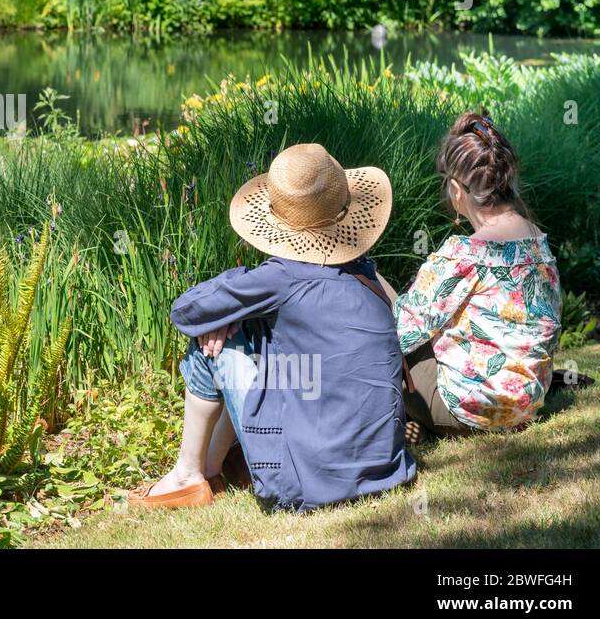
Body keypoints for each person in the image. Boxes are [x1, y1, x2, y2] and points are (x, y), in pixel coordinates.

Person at [130, 143, 416, 512]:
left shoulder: (281, 277)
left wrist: (228, 310)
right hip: (385, 470)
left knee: (209, 344)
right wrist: (235, 315)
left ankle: (189, 475)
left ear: (278, 221)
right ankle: (213, 470)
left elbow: (186, 312)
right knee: (247, 333)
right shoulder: (365, 272)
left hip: (305, 484)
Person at [393, 111, 562, 438]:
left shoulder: (464, 255)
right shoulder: (539, 244)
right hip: (525, 404)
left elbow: (401, 333)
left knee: (380, 297)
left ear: (457, 189)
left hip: (469, 413)